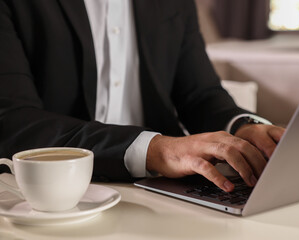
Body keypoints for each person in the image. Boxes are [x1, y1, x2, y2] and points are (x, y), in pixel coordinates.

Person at [0, 0, 284, 192]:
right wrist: (156, 150)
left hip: (162, 190)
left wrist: (244, 128)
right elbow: (13, 121)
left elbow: (200, 95)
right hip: (48, 193)